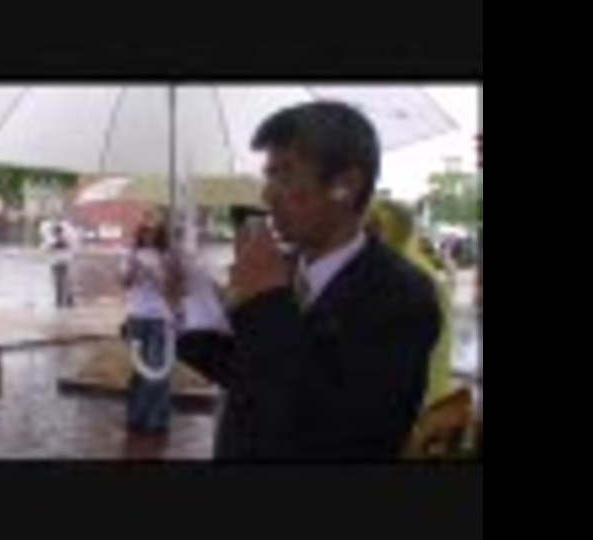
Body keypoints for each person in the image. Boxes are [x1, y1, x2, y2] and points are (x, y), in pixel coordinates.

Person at [176, 101, 441, 460]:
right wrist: (190, 303)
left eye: (284, 174)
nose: (267, 194)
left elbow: (341, 429)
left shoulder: (403, 296)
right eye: (268, 175)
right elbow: (245, 373)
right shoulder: (283, 268)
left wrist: (266, 300)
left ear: (345, 186)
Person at [365, 198, 454, 409]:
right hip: (421, 397)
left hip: (415, 404)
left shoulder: (405, 278)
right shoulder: (415, 269)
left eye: (373, 228)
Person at [120, 221, 180, 436]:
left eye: (153, 231)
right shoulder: (131, 254)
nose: (148, 234)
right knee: (139, 371)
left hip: (160, 319)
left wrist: (158, 275)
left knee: (157, 370)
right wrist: (133, 269)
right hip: (136, 318)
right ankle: (135, 417)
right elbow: (124, 283)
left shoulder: (169, 257)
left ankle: (156, 420)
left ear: (160, 233)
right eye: (145, 231)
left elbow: (175, 289)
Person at [49, 223, 74, 308]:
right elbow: (48, 249)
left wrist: (57, 245)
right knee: (60, 283)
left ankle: (67, 300)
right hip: (58, 263)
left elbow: (69, 249)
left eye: (57, 232)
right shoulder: (52, 241)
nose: (57, 234)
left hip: (62, 263)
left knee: (64, 282)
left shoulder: (65, 240)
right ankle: (60, 301)